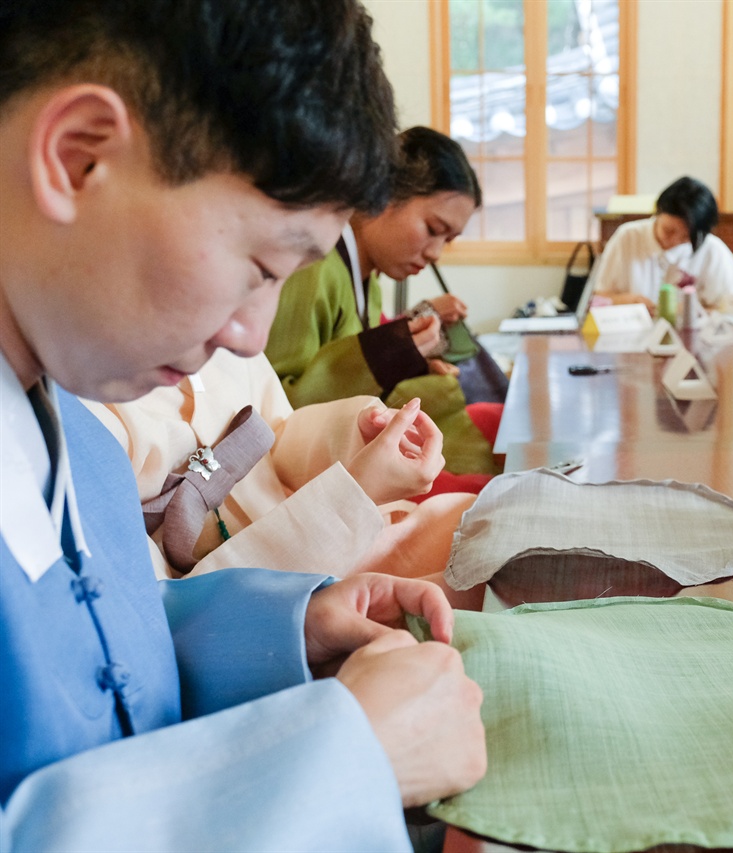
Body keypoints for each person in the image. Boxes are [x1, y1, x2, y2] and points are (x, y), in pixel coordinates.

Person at [0, 1, 485, 848]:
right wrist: (342, 760)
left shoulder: (68, 422)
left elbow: (105, 641)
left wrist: (291, 624)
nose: (250, 336)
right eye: (259, 267)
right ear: (79, 159)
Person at [87, 348, 477, 590]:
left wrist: (355, 436)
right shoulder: (85, 414)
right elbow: (169, 610)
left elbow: (279, 434)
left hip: (336, 542)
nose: (253, 334)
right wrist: (352, 495)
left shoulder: (232, 343)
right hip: (276, 596)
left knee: (469, 520)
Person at [266, 126, 500, 484]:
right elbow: (277, 406)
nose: (435, 253)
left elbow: (353, 368)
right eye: (432, 228)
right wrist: (390, 353)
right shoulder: (314, 269)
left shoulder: (369, 280)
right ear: (383, 194)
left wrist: (411, 363)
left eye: (448, 240)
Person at [590, 176, 733, 309]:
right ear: (657, 212)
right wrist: (629, 301)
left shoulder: (712, 250)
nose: (674, 241)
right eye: (669, 231)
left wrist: (691, 311)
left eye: (685, 237)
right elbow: (599, 298)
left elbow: (727, 307)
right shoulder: (628, 237)